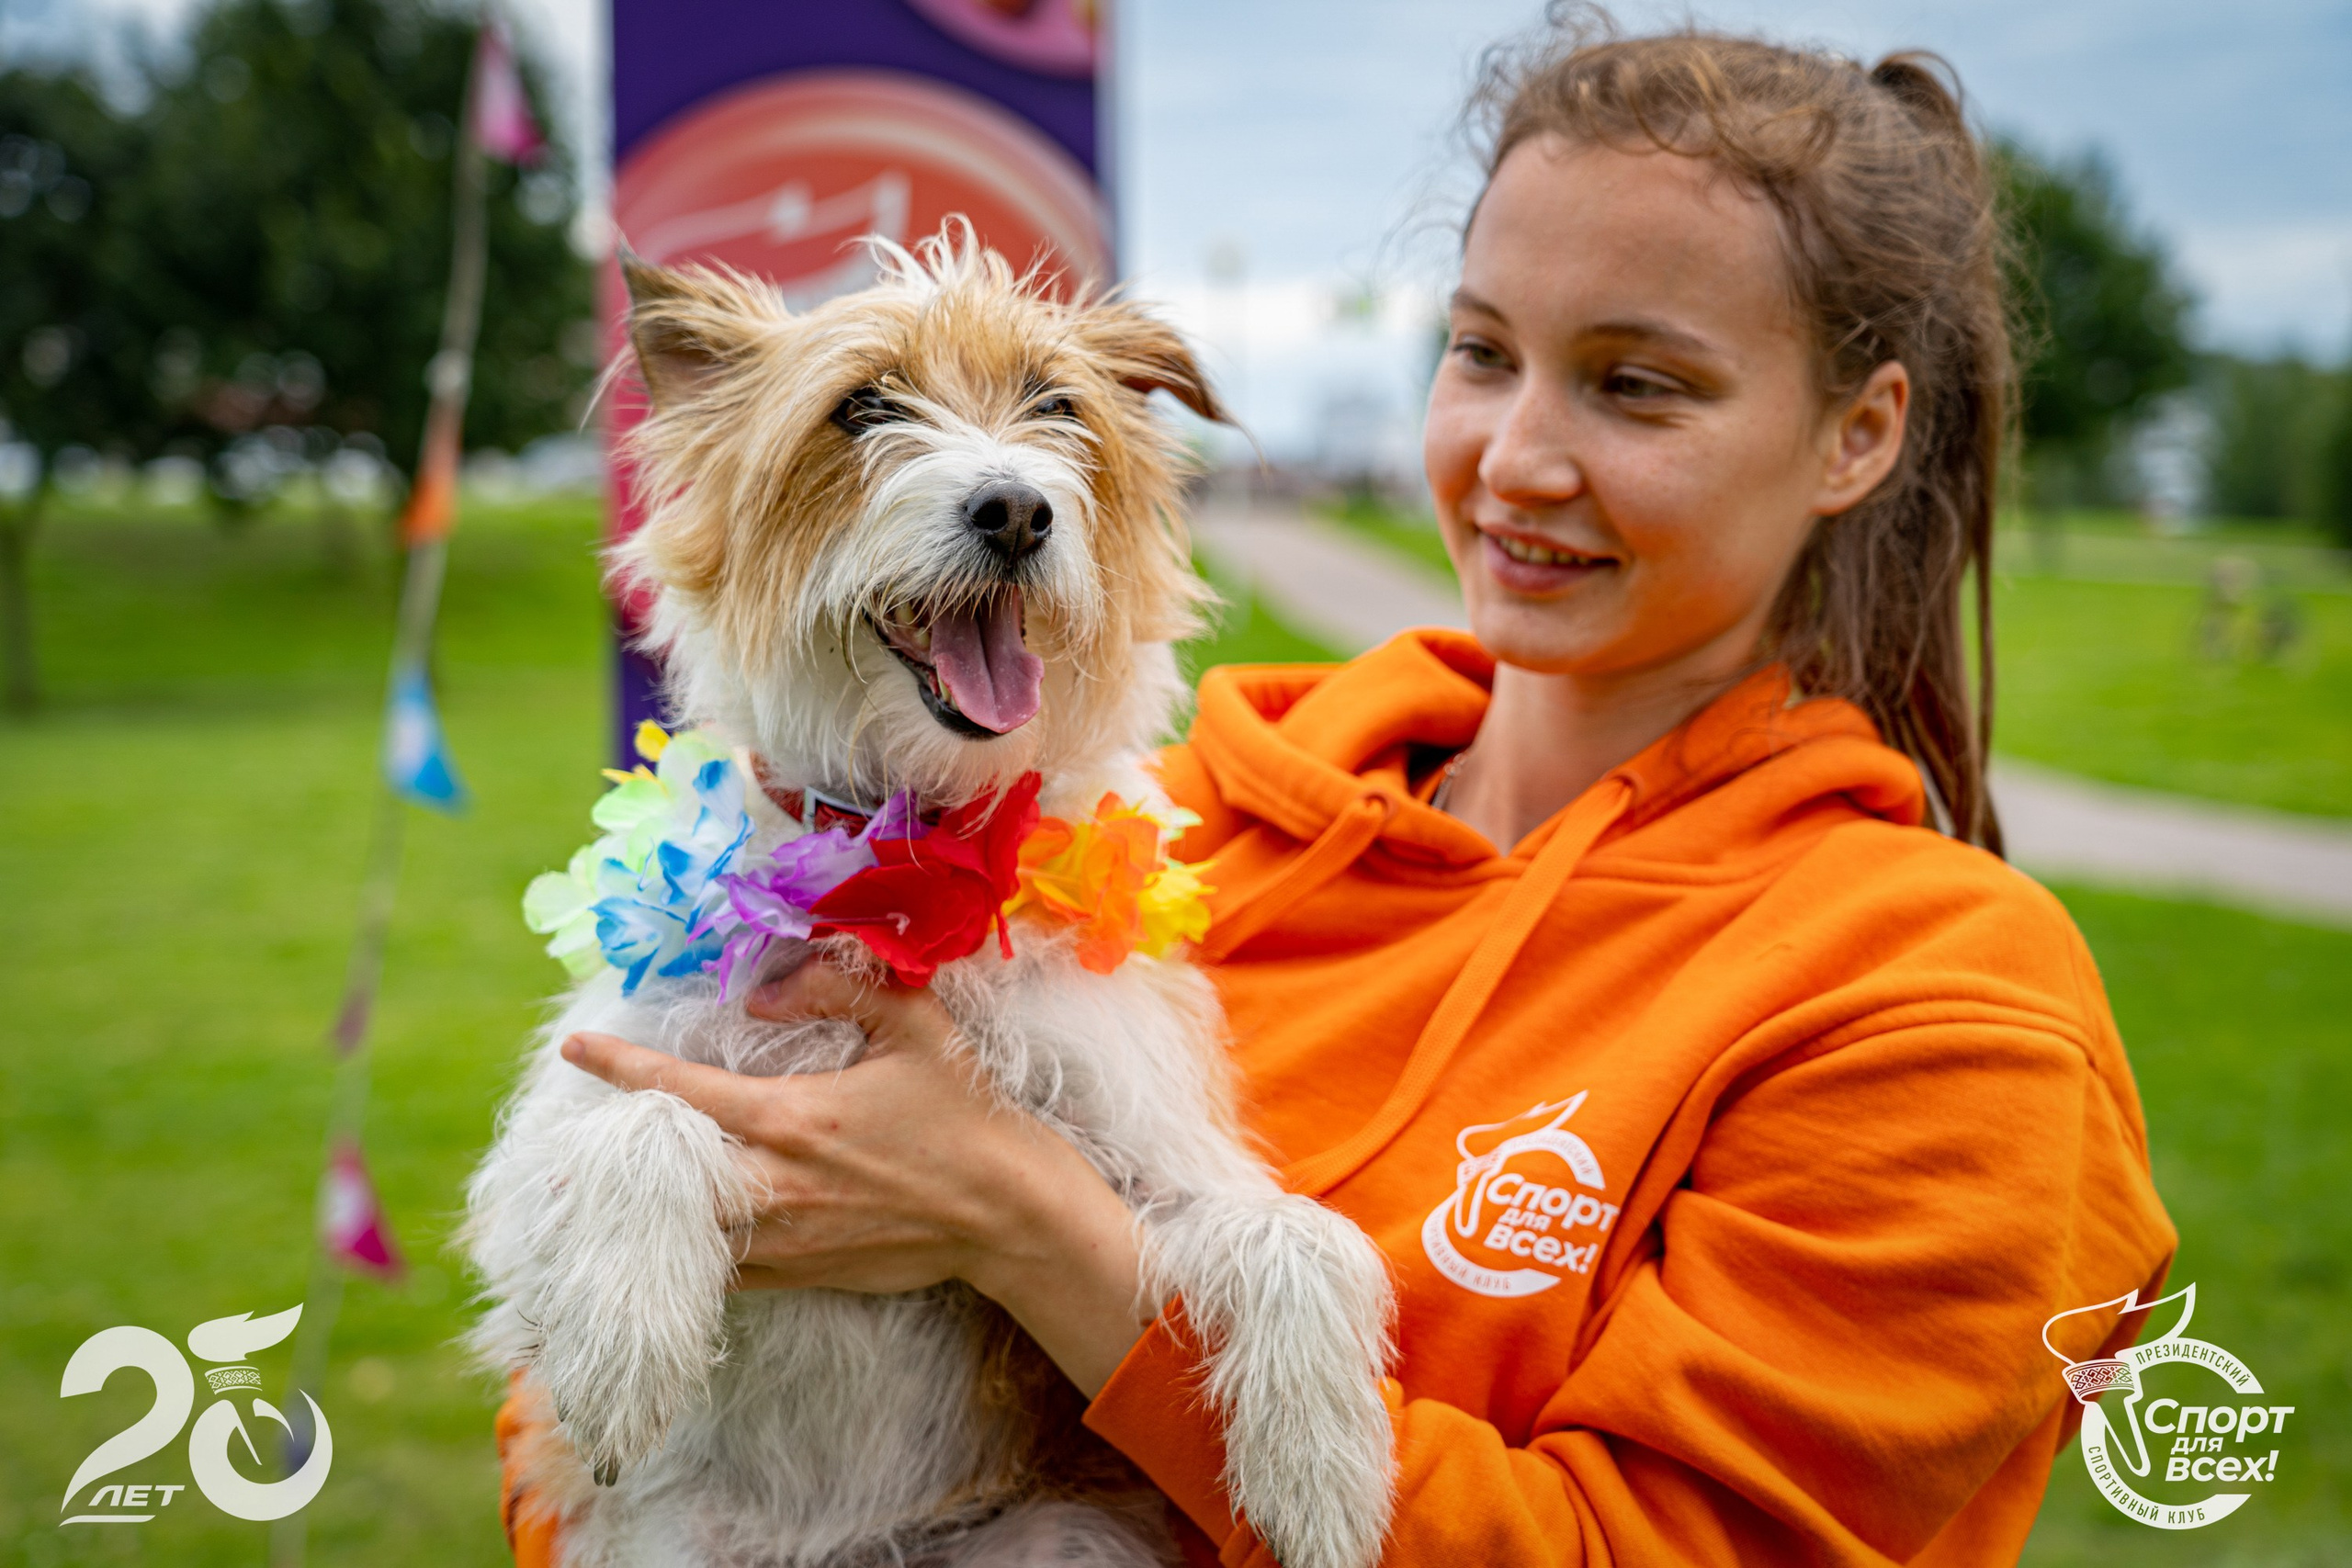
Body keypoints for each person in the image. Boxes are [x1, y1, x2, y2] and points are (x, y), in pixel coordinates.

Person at [503, 23, 2175, 1566]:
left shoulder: (1945, 1011)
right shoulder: (1170, 822)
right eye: (1481, 352)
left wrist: (1024, 1229)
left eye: (1637, 383)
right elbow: (582, 1428)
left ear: (1856, 435)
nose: (1518, 455)